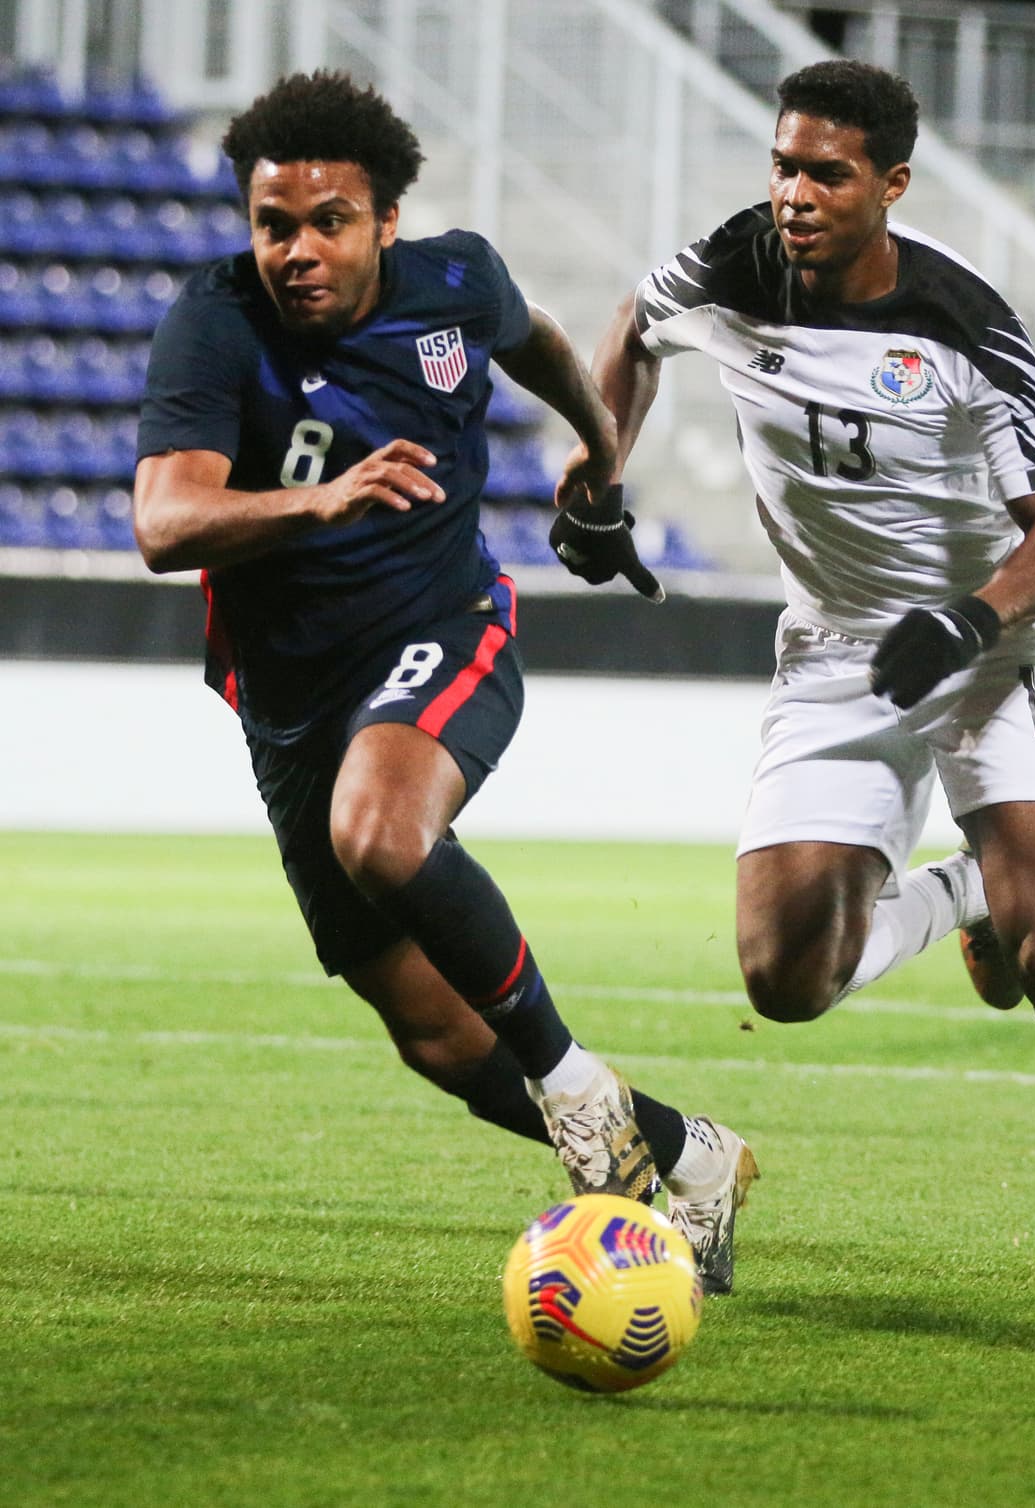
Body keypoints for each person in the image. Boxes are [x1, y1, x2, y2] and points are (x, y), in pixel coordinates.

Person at [552, 58, 1035, 1292]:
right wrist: (597, 471)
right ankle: (966, 892)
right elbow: (633, 334)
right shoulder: (733, 263)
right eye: (782, 165)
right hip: (834, 647)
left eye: (825, 173)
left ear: (890, 185)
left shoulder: (963, 325)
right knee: (783, 979)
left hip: (984, 646)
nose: (793, 193)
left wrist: (968, 623)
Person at [132, 70, 757, 1294]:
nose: (298, 250)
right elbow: (163, 519)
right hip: (290, 704)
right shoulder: (212, 324)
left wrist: (600, 456)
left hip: (444, 629)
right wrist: (320, 496)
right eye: (273, 224)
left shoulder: (457, 279)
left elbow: (540, 345)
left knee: (380, 829)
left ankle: (579, 1097)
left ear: (385, 224)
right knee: (436, 1035)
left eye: (328, 222)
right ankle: (692, 1156)